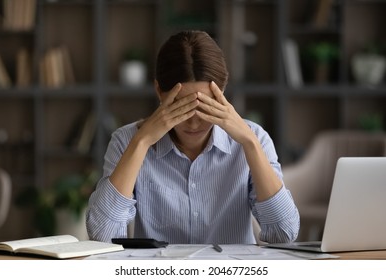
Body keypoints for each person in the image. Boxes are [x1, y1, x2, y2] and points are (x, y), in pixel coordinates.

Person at [86, 30, 299, 244]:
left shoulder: (255, 139)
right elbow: (103, 235)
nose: (194, 122)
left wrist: (250, 143)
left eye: (205, 106)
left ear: (222, 92)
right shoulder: (127, 141)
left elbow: (284, 233)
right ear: (160, 90)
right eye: (182, 107)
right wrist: (142, 142)